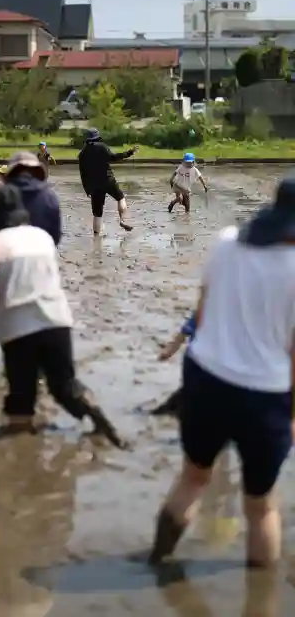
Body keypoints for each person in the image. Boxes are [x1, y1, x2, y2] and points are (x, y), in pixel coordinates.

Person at [150, 174, 295, 569]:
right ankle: (258, 599)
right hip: (265, 395)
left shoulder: (227, 242)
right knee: (261, 506)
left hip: (205, 377)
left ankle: (156, 561)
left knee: (193, 479)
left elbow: (203, 308)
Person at [0, 184, 127, 448]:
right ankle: (96, 416)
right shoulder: (41, 237)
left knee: (21, 397)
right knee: (64, 386)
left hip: (17, 328)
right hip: (57, 321)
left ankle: (23, 457)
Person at [0, 153, 62, 374]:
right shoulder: (50, 197)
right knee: (34, 318)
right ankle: (34, 372)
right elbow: (54, 238)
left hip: (0, 264)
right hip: (35, 267)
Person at [78, 127, 138, 235]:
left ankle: (97, 240)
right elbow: (114, 157)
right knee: (120, 198)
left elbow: (83, 174)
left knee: (97, 214)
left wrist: (87, 189)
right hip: (108, 180)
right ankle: (122, 220)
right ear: (97, 137)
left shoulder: (82, 154)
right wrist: (129, 153)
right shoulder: (102, 147)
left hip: (94, 186)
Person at [150, 312, 197, 417]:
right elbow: (185, 331)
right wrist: (170, 350)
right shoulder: (208, 308)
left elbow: (186, 331)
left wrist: (171, 350)